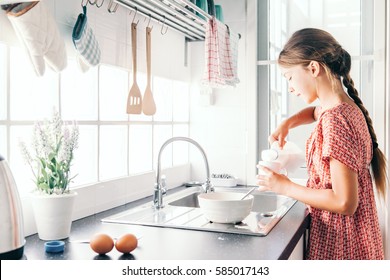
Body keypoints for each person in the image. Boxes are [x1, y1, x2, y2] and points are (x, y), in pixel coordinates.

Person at [257, 28, 386, 260]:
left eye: (289, 77)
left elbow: (344, 202)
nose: (289, 87)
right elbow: (316, 113)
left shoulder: (335, 121)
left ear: (313, 68)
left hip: (341, 245)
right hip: (359, 238)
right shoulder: (343, 107)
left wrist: (283, 186)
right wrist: (289, 122)